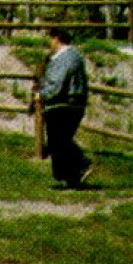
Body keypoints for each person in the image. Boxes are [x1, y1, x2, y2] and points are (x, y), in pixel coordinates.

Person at [37, 28, 92, 189]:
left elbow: (58, 82)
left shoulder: (68, 58)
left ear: (57, 38)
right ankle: (72, 178)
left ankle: (81, 162)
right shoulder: (63, 58)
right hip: (62, 103)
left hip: (66, 103)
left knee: (60, 140)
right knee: (57, 142)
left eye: (51, 39)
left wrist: (43, 94)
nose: (49, 43)